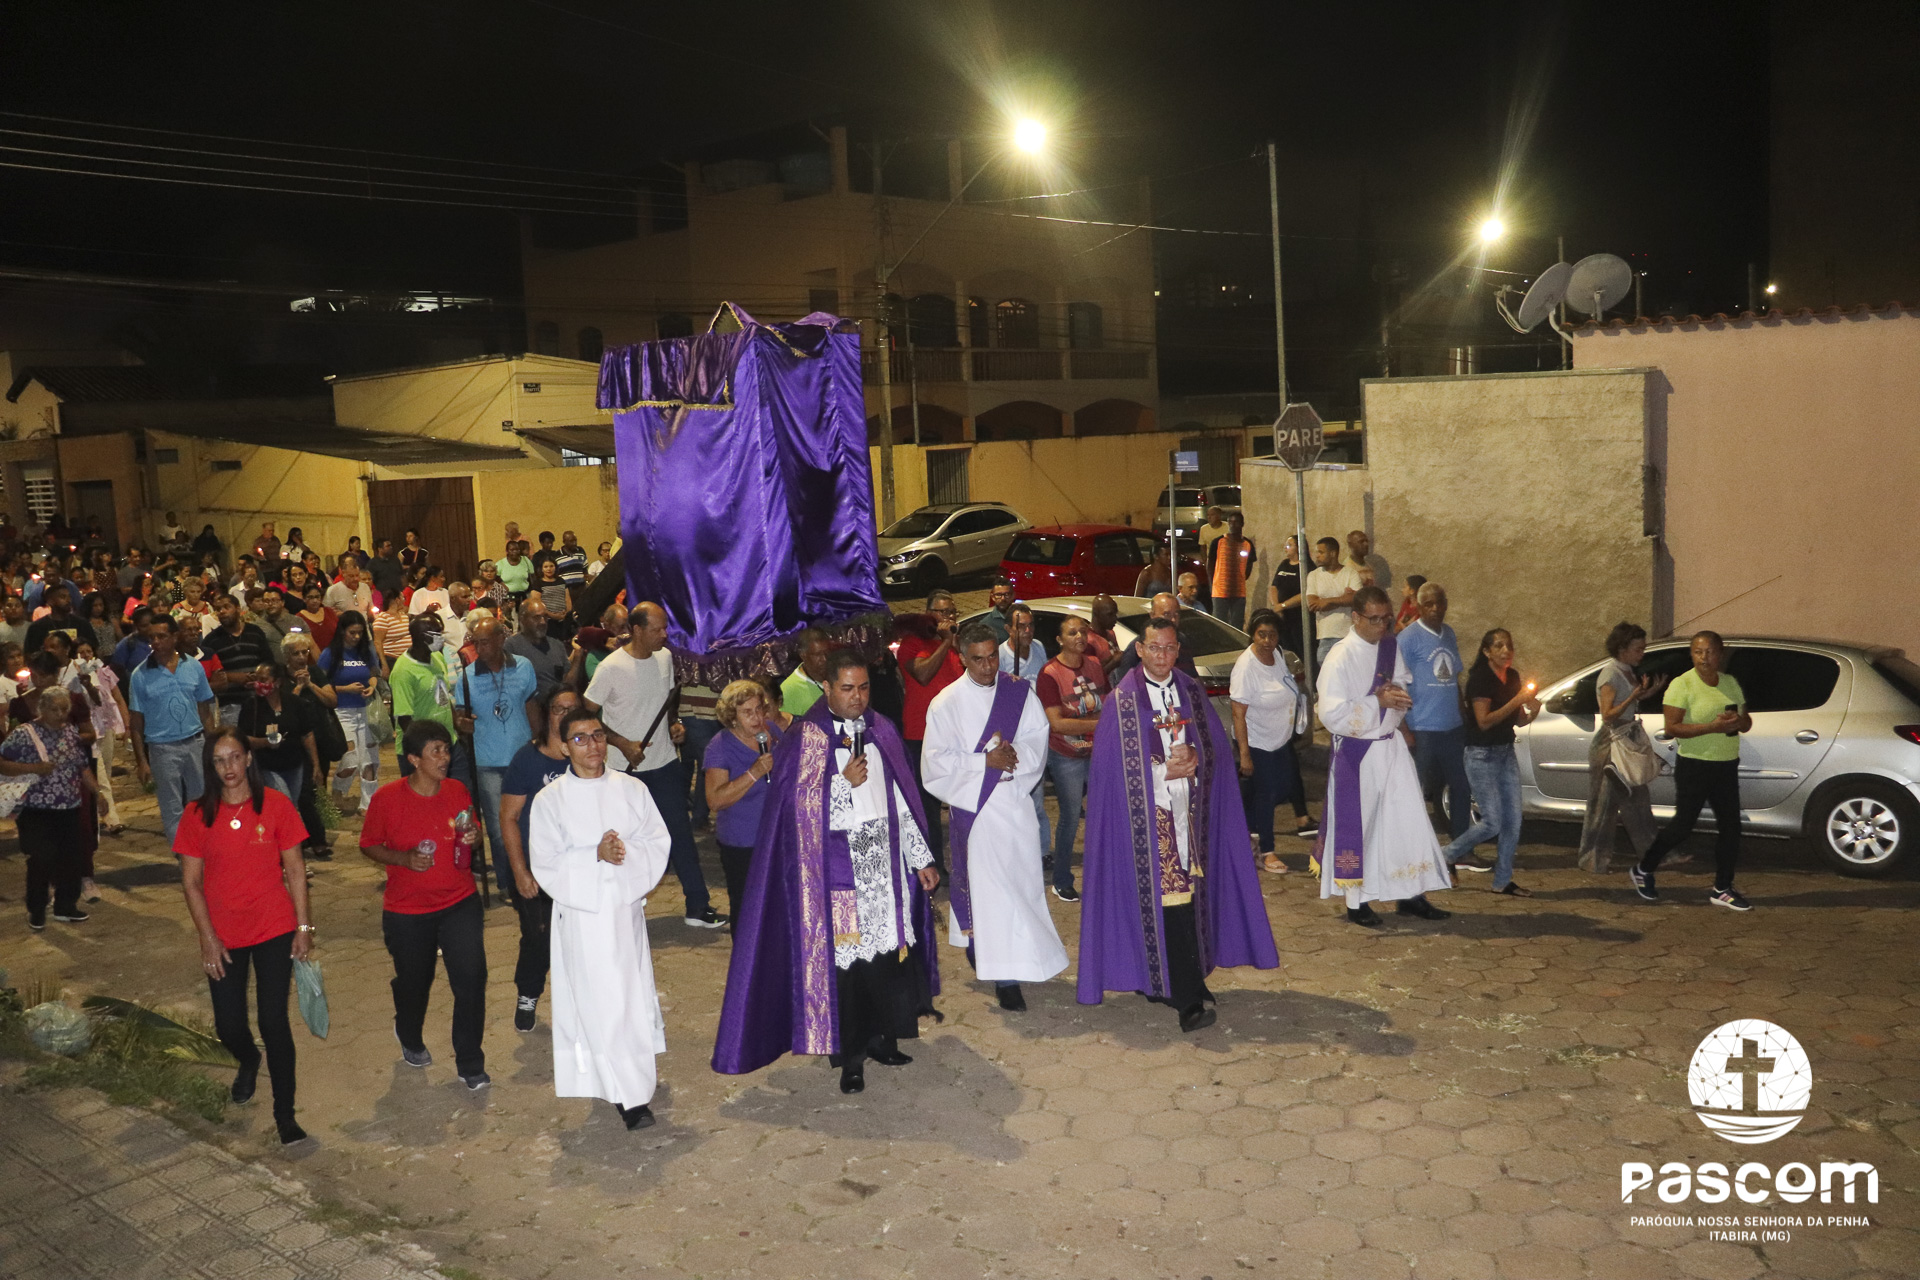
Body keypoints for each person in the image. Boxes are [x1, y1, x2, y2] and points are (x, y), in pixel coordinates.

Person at [713, 649, 942, 1095]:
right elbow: (796, 814)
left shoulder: (882, 728)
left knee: (886, 959)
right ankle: (851, 1058)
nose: (858, 697)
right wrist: (843, 784)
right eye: (847, 688)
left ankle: (884, 1039)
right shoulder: (807, 737)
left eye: (864, 687)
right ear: (827, 688)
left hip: (884, 867)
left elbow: (901, 798)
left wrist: (921, 858)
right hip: (838, 874)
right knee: (849, 969)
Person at [1077, 616, 1279, 1030]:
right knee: (1170, 903)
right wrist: (1160, 771)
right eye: (1154, 647)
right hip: (1149, 821)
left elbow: (1214, 748)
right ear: (1139, 649)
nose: (1162, 656)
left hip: (1192, 814)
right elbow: (1110, 771)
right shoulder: (1122, 701)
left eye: (1170, 648)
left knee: (1189, 900)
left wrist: (1197, 759)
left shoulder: (1190, 690)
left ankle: (1174, 979)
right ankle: (1187, 1001)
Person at [527, 704, 672, 1130]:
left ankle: (632, 1080)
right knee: (601, 1003)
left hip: (623, 910)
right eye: (580, 738)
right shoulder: (550, 800)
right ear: (563, 747)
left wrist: (624, 853)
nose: (592, 745)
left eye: (598, 736)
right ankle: (628, 1095)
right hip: (583, 916)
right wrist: (595, 854)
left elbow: (656, 839)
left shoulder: (631, 788)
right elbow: (546, 860)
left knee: (629, 998)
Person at [175, 726, 313, 1145]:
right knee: (229, 1026)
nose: (228, 767)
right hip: (224, 935)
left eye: (235, 757)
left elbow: (295, 869)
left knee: (274, 1022)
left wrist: (303, 927)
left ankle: (285, 1115)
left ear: (248, 759)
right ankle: (249, 1059)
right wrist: (207, 937)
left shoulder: (275, 805)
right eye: (219, 761)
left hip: (274, 926)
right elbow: (191, 883)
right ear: (210, 767)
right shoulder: (197, 814)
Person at [923, 627, 1068, 1012]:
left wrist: (1014, 754)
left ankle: (1015, 954)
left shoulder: (1018, 692)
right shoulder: (946, 703)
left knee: (1021, 885)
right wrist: (983, 761)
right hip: (977, 811)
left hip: (1015, 803)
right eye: (978, 659)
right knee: (994, 893)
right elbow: (935, 763)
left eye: (992, 657)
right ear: (962, 658)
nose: (988, 666)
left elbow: (1037, 736)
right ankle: (1005, 978)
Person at [360, 719, 489, 1087]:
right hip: (408, 911)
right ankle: (408, 1031)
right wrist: (403, 859)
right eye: (435, 751)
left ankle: (470, 1062)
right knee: (416, 982)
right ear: (414, 759)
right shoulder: (388, 799)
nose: (444, 757)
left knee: (471, 978)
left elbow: (471, 832)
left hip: (459, 901)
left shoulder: (457, 790)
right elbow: (368, 845)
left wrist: (474, 837)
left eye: (446, 749)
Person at [1315, 586, 1454, 927]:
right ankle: (1356, 902)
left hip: (1391, 747)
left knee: (1406, 822)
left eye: (1386, 619)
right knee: (1361, 827)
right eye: (1374, 619)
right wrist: (1376, 701)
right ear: (1356, 617)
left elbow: (1402, 681)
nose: (1381, 626)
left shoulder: (1390, 647)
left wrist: (1395, 694)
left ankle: (1411, 894)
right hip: (1358, 753)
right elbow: (1331, 714)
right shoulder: (1340, 657)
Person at [584, 601, 723, 927]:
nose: (664, 635)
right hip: (624, 770)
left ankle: (698, 906)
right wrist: (621, 743)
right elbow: (585, 715)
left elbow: (665, 703)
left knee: (680, 836)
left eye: (665, 628)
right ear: (636, 630)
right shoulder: (611, 668)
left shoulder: (665, 659)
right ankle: (618, 910)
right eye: (657, 629)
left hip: (664, 764)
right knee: (623, 841)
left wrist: (674, 725)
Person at [1630, 631, 1754, 911]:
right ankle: (1644, 869)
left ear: (1720, 654)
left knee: (1731, 828)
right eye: (1698, 652)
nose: (1704, 658)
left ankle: (1722, 888)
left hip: (1726, 763)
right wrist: (1713, 727)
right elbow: (1673, 727)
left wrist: (1737, 721)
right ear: (1691, 654)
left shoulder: (1730, 683)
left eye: (1710, 652)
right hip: (1695, 765)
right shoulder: (1682, 684)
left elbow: (1746, 722)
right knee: (1683, 826)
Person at [498, 688, 581, 1032]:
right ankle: (528, 994)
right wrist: (520, 872)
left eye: (573, 709)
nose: (566, 715)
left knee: (579, 937)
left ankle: (580, 1001)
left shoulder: (588, 757)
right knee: (538, 937)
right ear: (547, 714)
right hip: (536, 867)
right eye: (559, 709)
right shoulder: (527, 759)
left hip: (578, 866)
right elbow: (508, 817)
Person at [1441, 629, 1540, 896]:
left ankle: (1502, 881)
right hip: (1481, 755)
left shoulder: (1513, 677)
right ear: (1487, 652)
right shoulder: (1480, 680)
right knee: (1492, 822)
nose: (1506, 651)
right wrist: (1517, 700)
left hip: (1505, 752)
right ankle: (1447, 854)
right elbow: (1484, 722)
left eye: (1509, 645)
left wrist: (1532, 711)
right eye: (1499, 646)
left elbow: (1518, 720)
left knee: (1513, 822)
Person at [455, 615, 541, 897]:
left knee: (529, 821)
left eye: (485, 642)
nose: (479, 649)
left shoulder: (523, 666)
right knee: (497, 827)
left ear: (501, 639)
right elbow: (460, 716)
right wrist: (462, 724)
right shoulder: (466, 677)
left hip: (523, 759)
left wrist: (539, 743)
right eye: (476, 643)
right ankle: (508, 883)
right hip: (488, 763)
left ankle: (534, 875)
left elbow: (531, 707)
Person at [4, 687, 103, 929]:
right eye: (54, 709)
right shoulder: (24, 734)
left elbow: (82, 766)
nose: (60, 714)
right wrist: (33, 768)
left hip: (69, 806)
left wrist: (97, 793)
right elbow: (2, 763)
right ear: (42, 709)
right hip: (36, 809)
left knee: (71, 859)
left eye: (64, 709)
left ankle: (65, 906)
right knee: (41, 859)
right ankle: (37, 909)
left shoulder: (70, 732)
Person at [1579, 622, 1666, 874]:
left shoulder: (1626, 670)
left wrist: (1647, 692)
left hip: (1625, 739)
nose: (1642, 653)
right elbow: (1608, 714)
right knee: (1603, 805)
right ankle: (1593, 860)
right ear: (1622, 649)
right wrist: (1632, 696)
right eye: (1638, 649)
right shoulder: (1611, 674)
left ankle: (1654, 855)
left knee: (1638, 800)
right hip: (1610, 744)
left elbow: (1629, 702)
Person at [703, 679, 787, 929]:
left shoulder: (772, 731)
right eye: (747, 712)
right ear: (732, 717)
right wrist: (754, 773)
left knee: (779, 905)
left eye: (759, 708)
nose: (757, 717)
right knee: (747, 909)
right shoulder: (720, 746)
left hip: (778, 836)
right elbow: (715, 800)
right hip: (743, 843)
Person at [1232, 610, 1310, 876]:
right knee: (1267, 794)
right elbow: (1238, 713)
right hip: (1258, 741)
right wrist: (1245, 754)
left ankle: (1248, 835)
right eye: (1261, 635)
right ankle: (1267, 851)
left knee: (1280, 787)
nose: (1267, 641)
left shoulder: (1277, 655)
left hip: (1280, 739)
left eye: (1272, 635)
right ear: (1252, 635)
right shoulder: (1246, 667)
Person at [128, 614, 217, 843]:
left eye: (161, 636)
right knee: (171, 806)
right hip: (162, 747)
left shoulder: (193, 666)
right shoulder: (140, 675)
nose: (156, 642)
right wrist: (141, 761)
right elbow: (136, 722)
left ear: (175, 637)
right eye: (152, 637)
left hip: (195, 742)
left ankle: (203, 847)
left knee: (202, 800)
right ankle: (183, 853)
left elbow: (204, 710)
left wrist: (212, 745)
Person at [1397, 582, 1473, 843]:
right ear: (1418, 607)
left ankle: (1461, 847)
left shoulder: (1448, 634)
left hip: (1452, 728)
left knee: (1461, 787)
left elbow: (1454, 678)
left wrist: (1463, 715)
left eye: (1440, 603)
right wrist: (1404, 727)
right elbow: (1397, 683)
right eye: (1428, 604)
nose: (1435, 609)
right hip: (1422, 728)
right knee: (1415, 790)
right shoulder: (1408, 638)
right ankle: (1410, 848)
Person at [1037, 616, 1107, 902]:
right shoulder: (1050, 673)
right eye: (1072, 632)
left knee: (1105, 813)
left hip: (1098, 752)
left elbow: (1107, 704)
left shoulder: (1095, 665)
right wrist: (1098, 724)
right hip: (1067, 755)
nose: (1079, 636)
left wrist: (1095, 724)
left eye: (1083, 631)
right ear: (1059, 640)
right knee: (1070, 817)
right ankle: (1061, 879)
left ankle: (1105, 874)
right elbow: (1057, 723)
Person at [896, 591, 963, 867]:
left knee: (959, 800)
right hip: (920, 737)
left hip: (953, 736)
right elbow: (922, 675)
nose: (948, 617)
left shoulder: (955, 646)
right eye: (942, 612)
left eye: (952, 612)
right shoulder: (912, 643)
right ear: (928, 613)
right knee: (928, 807)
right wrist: (945, 643)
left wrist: (954, 645)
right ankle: (932, 865)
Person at [317, 610, 382, 814]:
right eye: (352, 632)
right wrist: (345, 689)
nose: (356, 637)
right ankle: (338, 792)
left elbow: (373, 674)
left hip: (365, 711)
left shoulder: (366, 651)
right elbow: (320, 683)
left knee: (370, 761)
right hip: (342, 712)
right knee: (350, 759)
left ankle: (368, 804)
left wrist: (372, 686)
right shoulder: (330, 654)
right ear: (342, 631)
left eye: (360, 632)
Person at [238, 661, 321, 804]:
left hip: (294, 766)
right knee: (284, 801)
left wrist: (316, 764)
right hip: (266, 767)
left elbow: (307, 734)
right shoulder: (251, 705)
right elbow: (242, 739)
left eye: (263, 679)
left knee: (290, 806)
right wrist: (265, 742)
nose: (258, 683)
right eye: (256, 679)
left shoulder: (294, 702)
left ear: (277, 682)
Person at [74, 640, 129, 836]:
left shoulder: (104, 673)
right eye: (81, 652)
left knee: (105, 772)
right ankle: (111, 819)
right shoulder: (71, 677)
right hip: (86, 733)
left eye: (88, 651)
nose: (86, 655)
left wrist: (126, 726)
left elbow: (116, 699)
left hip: (104, 728)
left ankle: (102, 813)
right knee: (100, 777)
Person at [390, 615, 456, 772]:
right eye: (436, 634)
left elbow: (444, 696)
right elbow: (405, 719)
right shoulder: (403, 671)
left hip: (448, 743)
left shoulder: (437, 657)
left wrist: (457, 724)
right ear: (421, 637)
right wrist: (426, 751)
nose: (441, 638)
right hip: (421, 751)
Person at [202, 592, 277, 727]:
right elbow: (207, 676)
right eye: (218, 609)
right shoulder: (211, 640)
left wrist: (259, 676)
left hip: (259, 699)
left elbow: (269, 661)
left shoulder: (255, 632)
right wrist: (232, 677)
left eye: (226, 607)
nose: (222, 612)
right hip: (231, 705)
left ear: (238, 609)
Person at [1304, 536, 1363, 666]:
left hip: (1348, 634)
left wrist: (1327, 601)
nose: (1317, 556)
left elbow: (1357, 599)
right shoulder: (1314, 575)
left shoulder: (1351, 573)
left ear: (1333, 553)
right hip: (1326, 636)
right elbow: (1312, 604)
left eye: (1321, 552)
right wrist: (1343, 599)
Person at [1113, 593, 1199, 681]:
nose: (1173, 619)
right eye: (1167, 614)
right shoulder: (1137, 648)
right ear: (1152, 615)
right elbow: (1123, 682)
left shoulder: (1182, 640)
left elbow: (1193, 677)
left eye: (1176, 615)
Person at [507, 598, 569, 700]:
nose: (543, 622)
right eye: (536, 617)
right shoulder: (511, 646)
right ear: (522, 619)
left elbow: (566, 681)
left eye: (545, 617)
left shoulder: (557, 645)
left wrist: (577, 656)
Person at [1204, 513, 1255, 631]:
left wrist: (1240, 578)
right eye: (1230, 522)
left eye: (1236, 522)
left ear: (1242, 524)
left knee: (1237, 625)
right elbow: (1210, 565)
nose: (1233, 525)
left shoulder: (1247, 544)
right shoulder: (1218, 542)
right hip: (1220, 591)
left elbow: (1249, 566)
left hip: (1239, 592)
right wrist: (1212, 585)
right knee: (1220, 625)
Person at [780, 627, 832, 716]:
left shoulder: (839, 674)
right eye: (817, 654)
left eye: (827, 652)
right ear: (803, 655)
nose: (824, 659)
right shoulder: (788, 691)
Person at [371, 588, 412, 673]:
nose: (404, 601)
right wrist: (384, 664)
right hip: (392, 659)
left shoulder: (404, 616)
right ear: (397, 600)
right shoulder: (383, 618)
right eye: (403, 598)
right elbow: (378, 642)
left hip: (407, 658)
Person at [1348, 529, 1392, 597]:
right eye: (1361, 541)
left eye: (1366, 541)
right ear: (1351, 545)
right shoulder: (1347, 568)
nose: (1366, 544)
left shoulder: (1369, 565)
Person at [295, 582, 338, 650]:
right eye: (310, 597)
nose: (315, 601)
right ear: (304, 599)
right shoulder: (299, 618)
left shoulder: (329, 611)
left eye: (317, 597)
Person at [977, 578, 1018, 645]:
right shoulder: (986, 625)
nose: (1003, 598)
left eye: (1007, 594)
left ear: (1013, 595)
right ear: (993, 597)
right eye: (998, 595)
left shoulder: (1023, 618)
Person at [367, 537, 405, 606]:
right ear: (380, 549)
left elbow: (402, 575)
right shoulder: (372, 563)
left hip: (398, 594)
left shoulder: (395, 560)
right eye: (388, 546)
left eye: (390, 545)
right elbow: (370, 580)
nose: (391, 547)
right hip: (383, 597)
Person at [553, 531, 589, 596]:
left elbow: (585, 570)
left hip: (581, 589)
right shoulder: (557, 555)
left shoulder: (581, 551)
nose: (574, 543)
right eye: (571, 541)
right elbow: (555, 575)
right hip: (566, 590)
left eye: (575, 540)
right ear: (564, 542)